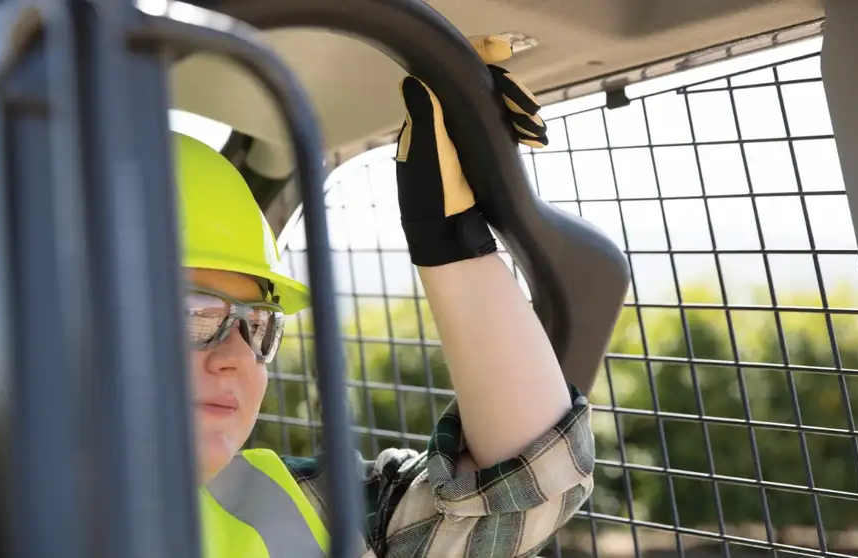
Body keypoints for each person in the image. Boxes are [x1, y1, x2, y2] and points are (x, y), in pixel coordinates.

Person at [184, 35, 595, 558]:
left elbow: (526, 493)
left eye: (258, 326)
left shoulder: (296, 506)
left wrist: (449, 240)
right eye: (194, 314)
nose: (239, 358)